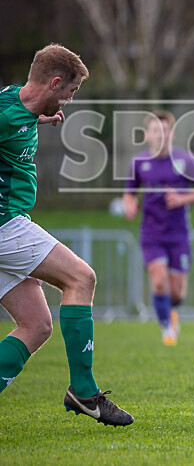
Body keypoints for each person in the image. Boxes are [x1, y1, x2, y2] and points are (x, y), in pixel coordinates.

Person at [0, 44, 133, 425]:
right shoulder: (7, 115)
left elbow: (15, 118)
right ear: (55, 82)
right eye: (71, 92)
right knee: (81, 277)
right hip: (5, 223)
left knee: (37, 324)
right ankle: (84, 391)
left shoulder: (16, 103)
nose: (70, 100)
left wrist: (38, 121)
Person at [123, 111, 194, 345]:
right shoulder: (139, 163)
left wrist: (182, 199)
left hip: (178, 234)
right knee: (159, 280)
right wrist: (129, 206)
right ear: (146, 135)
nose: (160, 134)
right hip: (151, 233)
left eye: (165, 130)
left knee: (177, 292)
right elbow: (129, 193)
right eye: (155, 130)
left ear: (171, 133)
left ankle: (171, 312)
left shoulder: (185, 161)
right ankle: (167, 331)